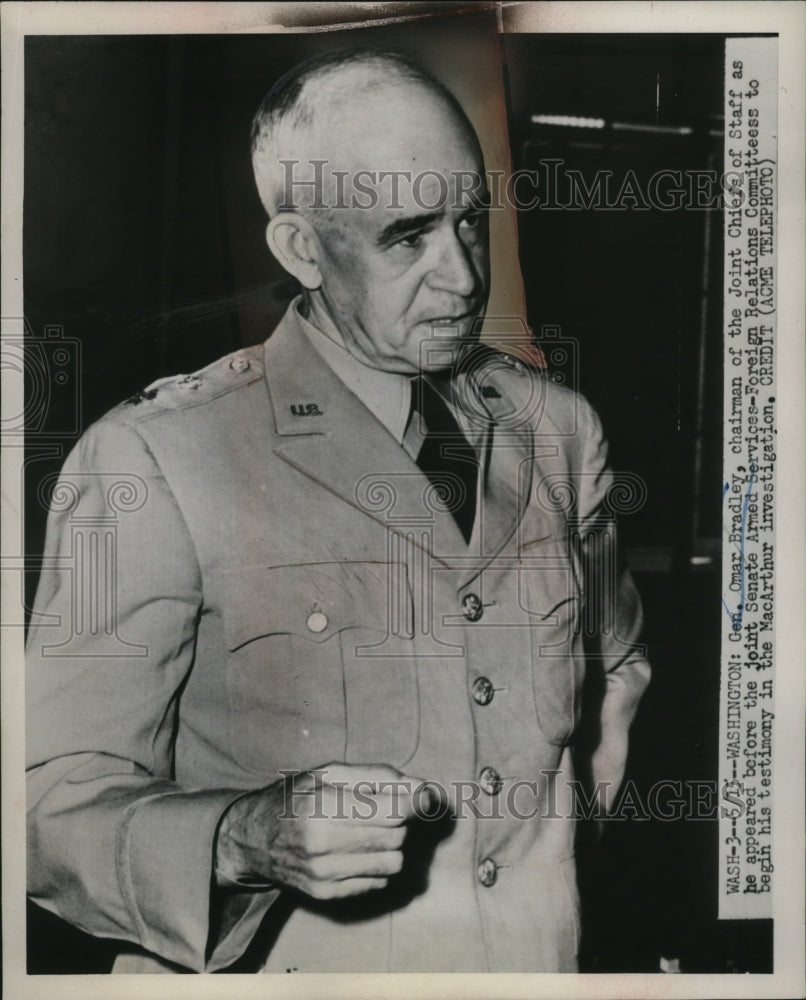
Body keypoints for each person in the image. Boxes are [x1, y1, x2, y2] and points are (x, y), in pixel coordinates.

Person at [26, 48, 651, 974]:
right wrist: (240, 838)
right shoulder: (156, 457)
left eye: (471, 222)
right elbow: (44, 804)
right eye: (409, 236)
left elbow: (617, 664)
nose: (465, 279)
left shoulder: (556, 430)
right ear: (302, 249)